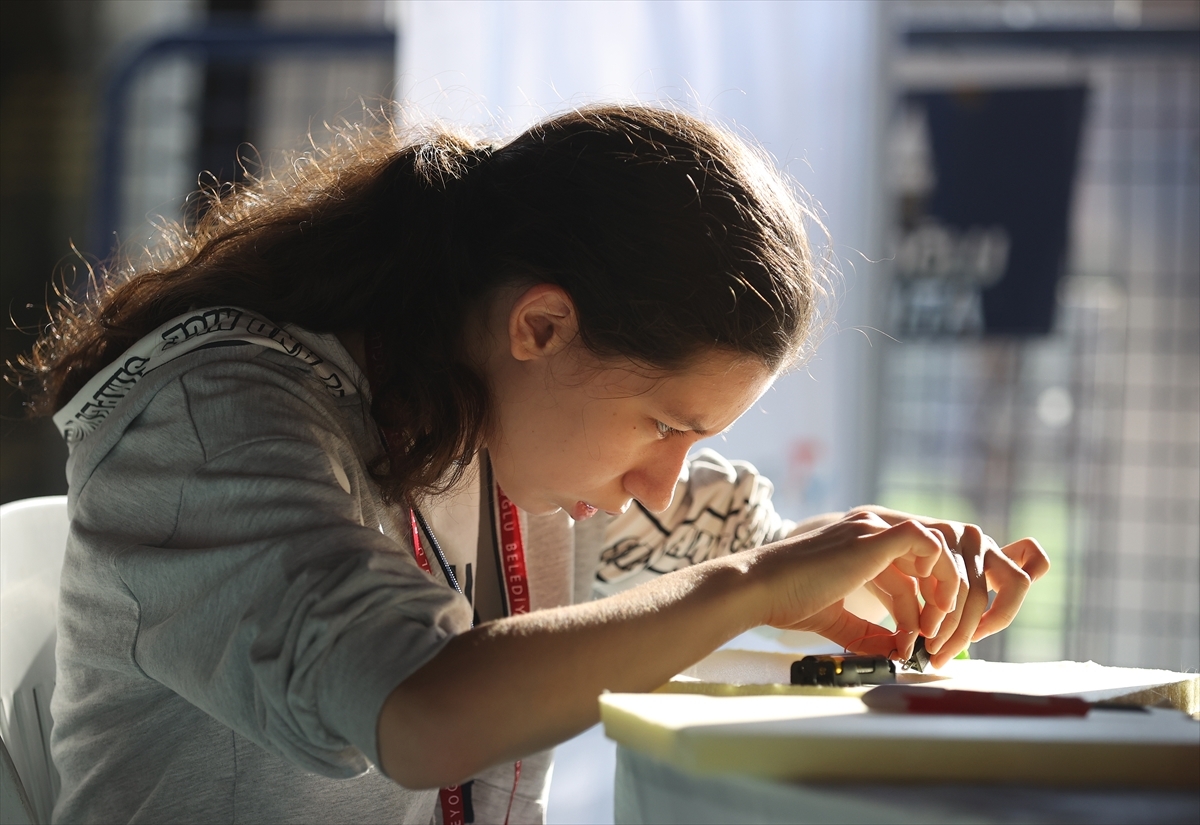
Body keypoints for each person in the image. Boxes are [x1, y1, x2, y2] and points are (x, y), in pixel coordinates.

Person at [13, 104, 1049, 824]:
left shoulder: (483, 405)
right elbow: (419, 713)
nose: (662, 480)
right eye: (664, 426)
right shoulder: (207, 418)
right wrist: (753, 586)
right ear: (541, 325)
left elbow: (712, 533)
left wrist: (843, 573)